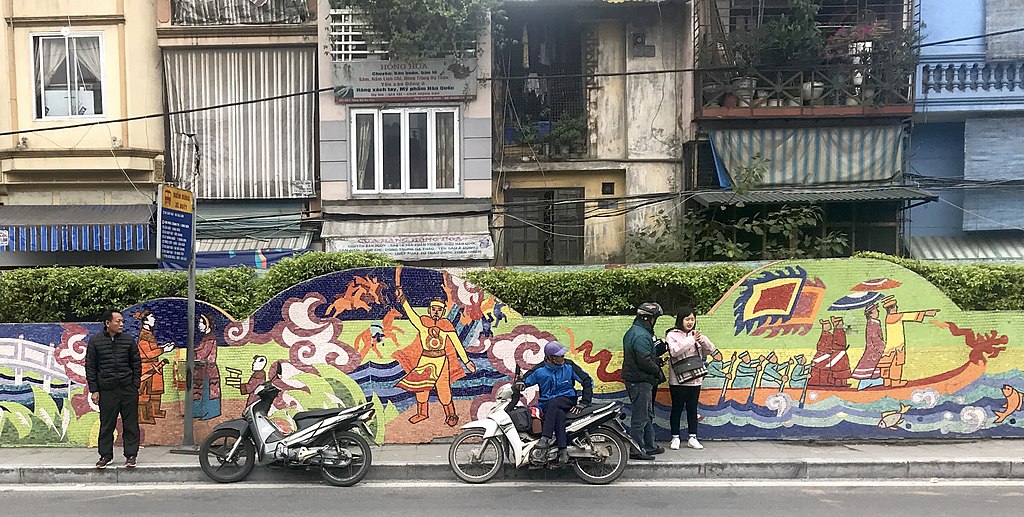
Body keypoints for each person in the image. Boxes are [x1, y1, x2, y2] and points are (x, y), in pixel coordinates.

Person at [392, 286, 476, 426]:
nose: (436, 312)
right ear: (429, 310)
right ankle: (422, 413)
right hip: (425, 360)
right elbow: (411, 315)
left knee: (443, 388)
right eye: (434, 309)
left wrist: (467, 362)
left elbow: (457, 344)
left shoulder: (446, 325)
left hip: (441, 361)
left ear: (443, 312)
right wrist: (403, 299)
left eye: (439, 310)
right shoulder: (423, 323)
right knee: (420, 387)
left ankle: (451, 414)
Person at [518, 341, 593, 464]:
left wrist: (584, 402)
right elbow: (525, 380)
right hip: (547, 404)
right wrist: (519, 384)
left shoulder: (569, 366)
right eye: (560, 355)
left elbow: (586, 380)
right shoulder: (539, 370)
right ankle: (563, 451)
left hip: (567, 399)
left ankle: (545, 438)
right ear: (551, 358)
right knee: (558, 414)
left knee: (554, 403)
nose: (563, 358)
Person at [85, 310, 141, 469]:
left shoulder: (128, 340)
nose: (121, 324)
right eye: (118, 321)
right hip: (107, 390)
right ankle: (105, 455)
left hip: (127, 389)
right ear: (107, 323)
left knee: (130, 423)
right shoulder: (95, 342)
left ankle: (131, 455)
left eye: (122, 321)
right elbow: (91, 367)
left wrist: (134, 384)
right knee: (107, 424)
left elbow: (136, 363)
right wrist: (94, 390)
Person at [665, 307, 716, 450]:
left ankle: (692, 437)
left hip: (695, 378)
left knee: (692, 408)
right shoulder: (672, 335)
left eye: (692, 319)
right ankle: (675, 437)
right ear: (680, 320)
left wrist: (702, 341)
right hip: (678, 379)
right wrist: (691, 339)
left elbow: (710, 350)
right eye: (687, 319)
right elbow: (675, 351)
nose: (690, 322)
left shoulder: (695, 335)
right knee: (677, 408)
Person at [621, 301, 666, 460]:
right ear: (648, 318)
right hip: (639, 380)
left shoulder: (637, 331)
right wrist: (657, 370)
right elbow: (644, 360)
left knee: (647, 414)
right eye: (655, 318)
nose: (655, 321)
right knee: (640, 417)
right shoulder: (640, 335)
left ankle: (650, 446)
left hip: (640, 379)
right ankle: (636, 449)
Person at [852, 303, 886, 390]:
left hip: (875, 352)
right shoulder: (873, 323)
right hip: (874, 353)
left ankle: (873, 386)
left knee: (874, 372)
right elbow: (875, 338)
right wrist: (883, 348)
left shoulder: (873, 323)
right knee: (870, 371)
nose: (878, 311)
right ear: (870, 313)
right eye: (876, 310)